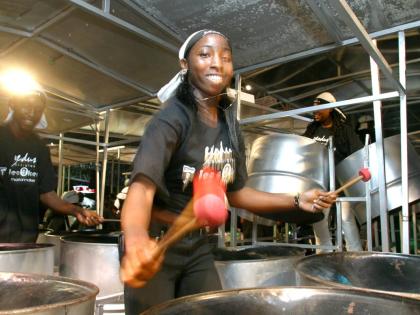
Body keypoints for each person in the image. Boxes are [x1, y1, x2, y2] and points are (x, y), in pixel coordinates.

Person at [120, 29, 336, 314]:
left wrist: (297, 200)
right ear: (185, 65)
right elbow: (142, 187)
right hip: (155, 240)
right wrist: (136, 239)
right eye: (205, 54)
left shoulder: (229, 126)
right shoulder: (172, 117)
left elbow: (238, 193)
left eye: (225, 56)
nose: (216, 63)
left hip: (197, 245)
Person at [0, 87, 103, 243]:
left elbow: (47, 194)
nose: (32, 113)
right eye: (26, 105)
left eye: (38, 109)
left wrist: (77, 210)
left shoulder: (39, 148)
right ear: (13, 104)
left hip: (25, 237)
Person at [303, 92, 363, 253]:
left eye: (320, 108)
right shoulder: (311, 131)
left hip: (341, 185)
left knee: (346, 220)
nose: (315, 112)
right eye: (314, 109)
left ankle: (355, 254)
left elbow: (358, 154)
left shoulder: (344, 131)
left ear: (330, 109)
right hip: (319, 184)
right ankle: (324, 254)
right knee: (319, 222)